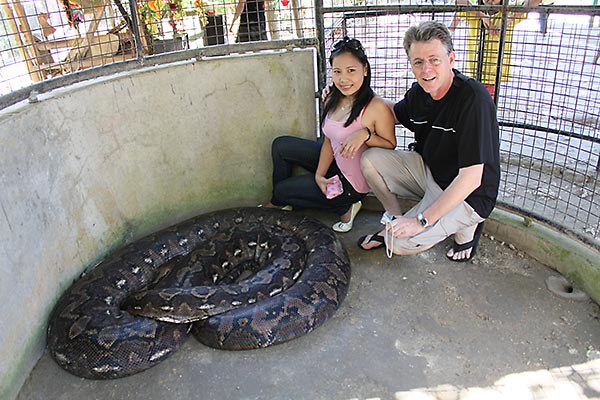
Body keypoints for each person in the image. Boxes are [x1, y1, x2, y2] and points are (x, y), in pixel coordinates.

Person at [358, 21, 500, 262]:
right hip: (433, 175)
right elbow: (392, 112)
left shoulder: (473, 99)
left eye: (434, 60)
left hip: (469, 193)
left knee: (397, 243)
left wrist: (420, 221)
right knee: (370, 159)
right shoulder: (420, 93)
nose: (426, 70)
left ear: (451, 59)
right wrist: (353, 97)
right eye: (418, 62)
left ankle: (467, 225)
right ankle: (395, 220)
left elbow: (471, 178)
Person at [262, 37, 396, 233]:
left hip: (351, 182)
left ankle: (345, 207)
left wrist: (366, 135)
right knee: (280, 146)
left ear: (365, 70)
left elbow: (390, 144)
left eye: (351, 71)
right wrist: (319, 175)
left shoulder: (376, 107)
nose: (343, 79)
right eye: (337, 71)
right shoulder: (333, 96)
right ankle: (281, 202)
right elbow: (329, 140)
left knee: (282, 190)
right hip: (336, 160)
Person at [449, 0, 541, 98]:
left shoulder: (508, 13)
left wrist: (508, 20)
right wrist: (483, 16)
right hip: (474, 73)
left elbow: (535, 1)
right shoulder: (474, 14)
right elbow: (459, 1)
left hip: (493, 75)